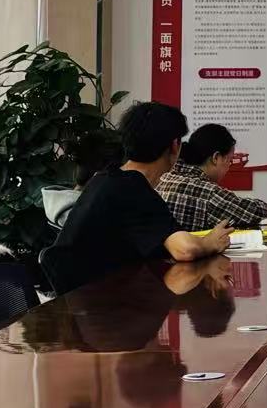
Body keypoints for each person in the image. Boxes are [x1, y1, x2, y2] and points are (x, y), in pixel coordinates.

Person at [51, 101, 232, 290]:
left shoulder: (106, 179)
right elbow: (185, 250)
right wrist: (210, 242)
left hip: (81, 298)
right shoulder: (132, 187)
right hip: (98, 302)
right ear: (174, 146)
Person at [157, 123, 267, 231]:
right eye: (230, 160)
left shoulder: (162, 179)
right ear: (216, 157)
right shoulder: (208, 193)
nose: (229, 166)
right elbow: (255, 211)